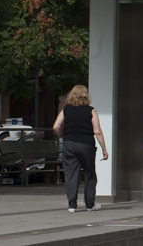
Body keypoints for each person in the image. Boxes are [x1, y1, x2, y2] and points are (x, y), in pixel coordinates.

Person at [53, 85, 108, 213]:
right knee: (89, 173)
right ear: (85, 95)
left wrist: (62, 135)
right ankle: (90, 204)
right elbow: (97, 131)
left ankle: (72, 205)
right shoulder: (91, 110)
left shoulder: (66, 110)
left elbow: (56, 126)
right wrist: (104, 149)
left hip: (69, 144)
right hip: (86, 144)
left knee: (71, 174)